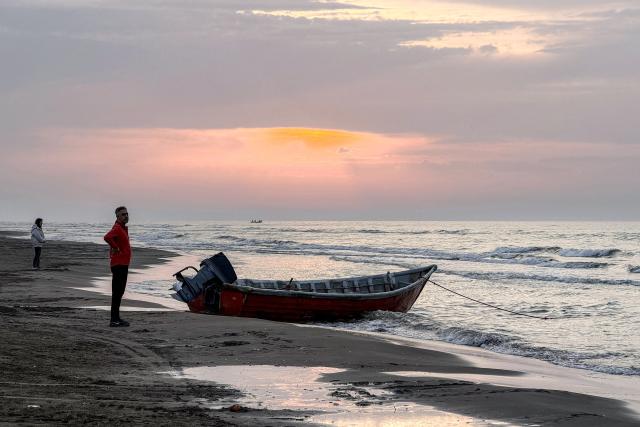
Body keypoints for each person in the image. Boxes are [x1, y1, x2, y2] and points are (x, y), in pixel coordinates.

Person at [103, 206, 132, 327]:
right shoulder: (117, 228)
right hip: (118, 264)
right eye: (123, 214)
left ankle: (116, 318)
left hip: (123, 264)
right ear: (118, 217)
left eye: (126, 214)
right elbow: (107, 237)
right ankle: (114, 320)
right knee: (117, 293)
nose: (126, 216)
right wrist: (115, 248)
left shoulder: (122, 228)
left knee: (119, 292)